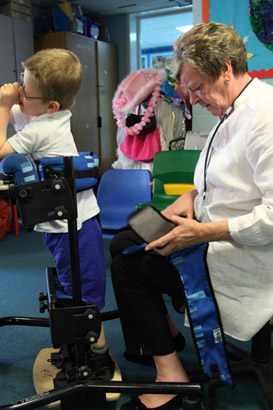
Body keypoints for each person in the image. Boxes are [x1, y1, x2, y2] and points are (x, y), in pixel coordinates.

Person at [111, 21, 273, 410]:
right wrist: (192, 194)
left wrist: (202, 233)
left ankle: (170, 377)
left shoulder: (264, 119)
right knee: (124, 241)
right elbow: (227, 176)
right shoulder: (233, 108)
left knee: (129, 264)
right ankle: (165, 339)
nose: (194, 99)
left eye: (198, 87)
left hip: (247, 253)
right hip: (215, 231)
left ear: (227, 69)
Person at [0, 48, 114, 380]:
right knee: (68, 287)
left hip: (74, 227)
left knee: (83, 298)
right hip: (60, 225)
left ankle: (99, 359)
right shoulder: (47, 117)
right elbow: (18, 117)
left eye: (25, 91)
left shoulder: (43, 128)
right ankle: (76, 347)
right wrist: (16, 101)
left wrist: (5, 105)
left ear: (50, 105)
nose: (19, 93)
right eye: (20, 83)